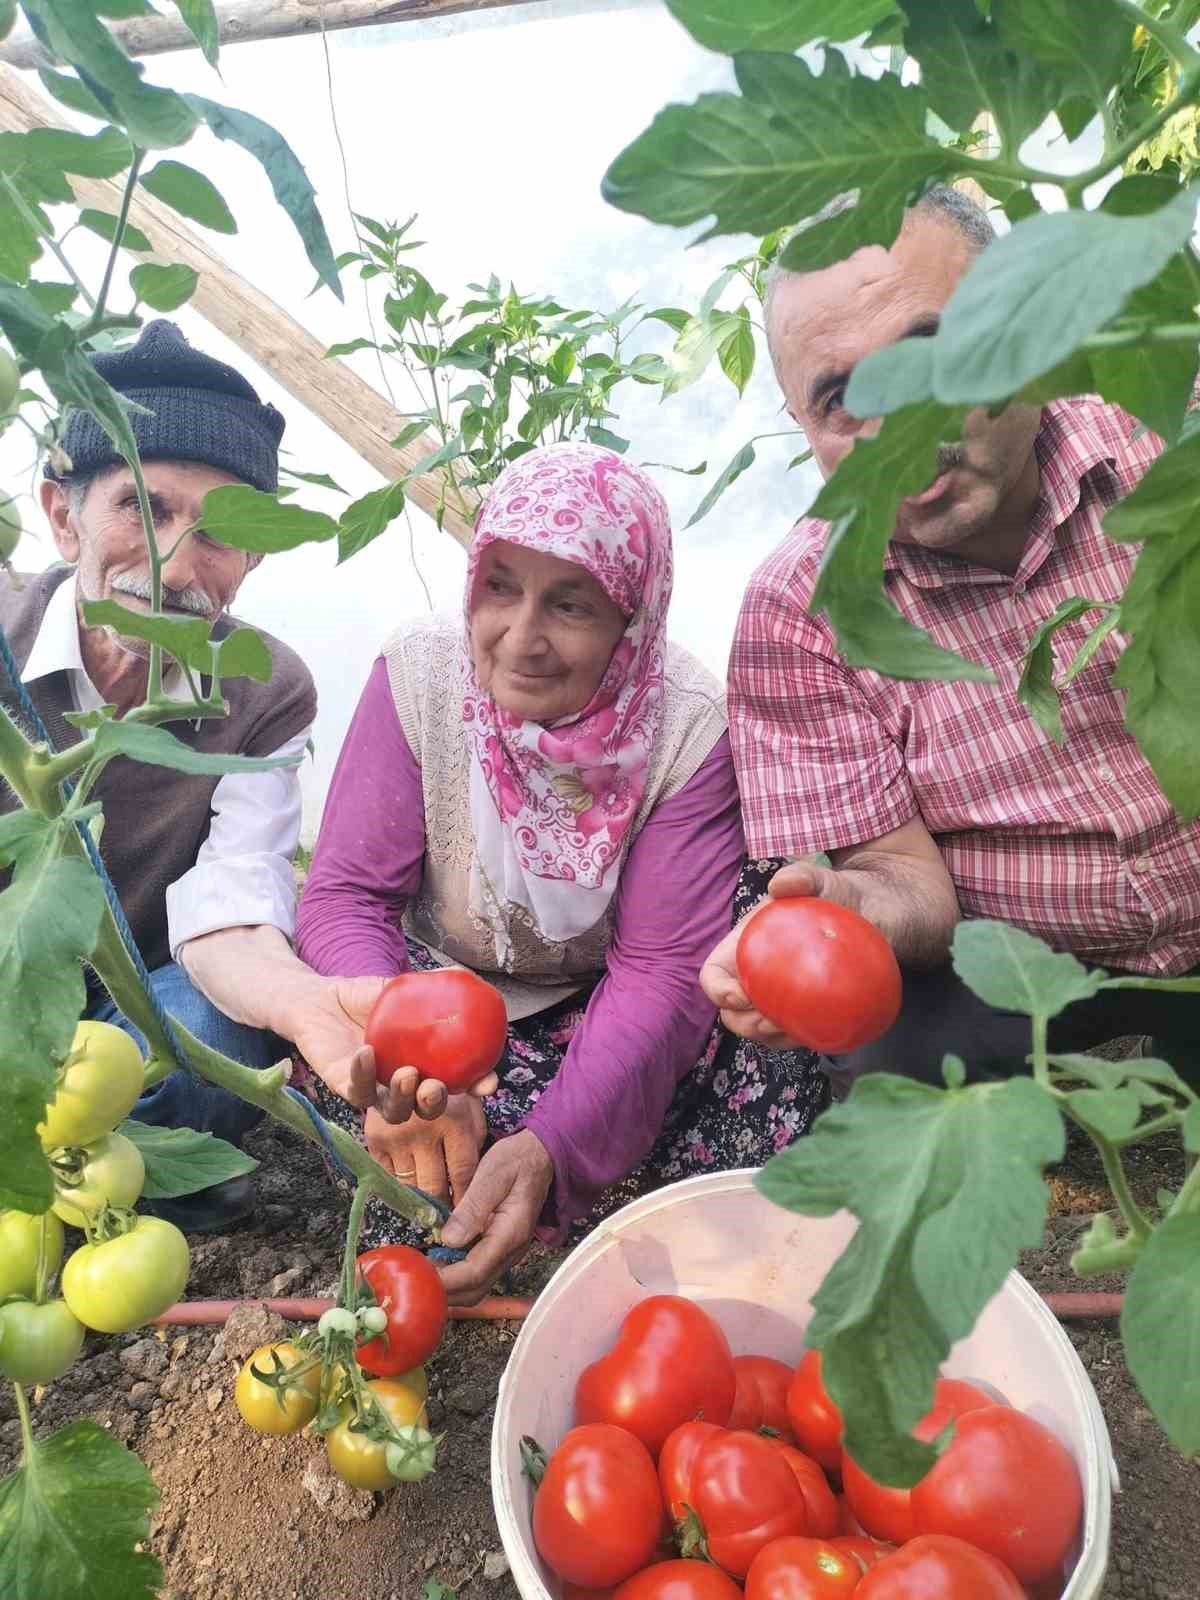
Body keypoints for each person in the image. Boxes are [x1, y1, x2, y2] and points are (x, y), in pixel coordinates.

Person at [295, 442, 825, 1303]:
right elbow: (349, 896)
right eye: (500, 587)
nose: (521, 638)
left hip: (602, 1005)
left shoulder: (686, 731)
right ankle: (512, 1170)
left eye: (571, 605)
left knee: (763, 1005)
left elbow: (659, 972)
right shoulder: (421, 677)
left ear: (632, 623)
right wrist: (409, 1069)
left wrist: (551, 1145)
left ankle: (613, 1187)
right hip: (436, 1000)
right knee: (396, 1139)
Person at [701, 186, 1200, 1089]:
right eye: (842, 400)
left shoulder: (1170, 426)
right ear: (805, 428)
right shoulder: (797, 614)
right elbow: (904, 877)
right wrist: (852, 903)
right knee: (886, 1065)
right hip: (1033, 968)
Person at [0, 320, 417, 1230]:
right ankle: (100, 1180)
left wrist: (307, 1006)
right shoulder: (6, 628)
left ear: (254, 557)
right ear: (63, 514)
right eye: (141, 508)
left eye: (220, 532)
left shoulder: (264, 687)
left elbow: (230, 905)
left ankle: (66, 1176)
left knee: (217, 1037)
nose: (174, 563)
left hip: (142, 985)